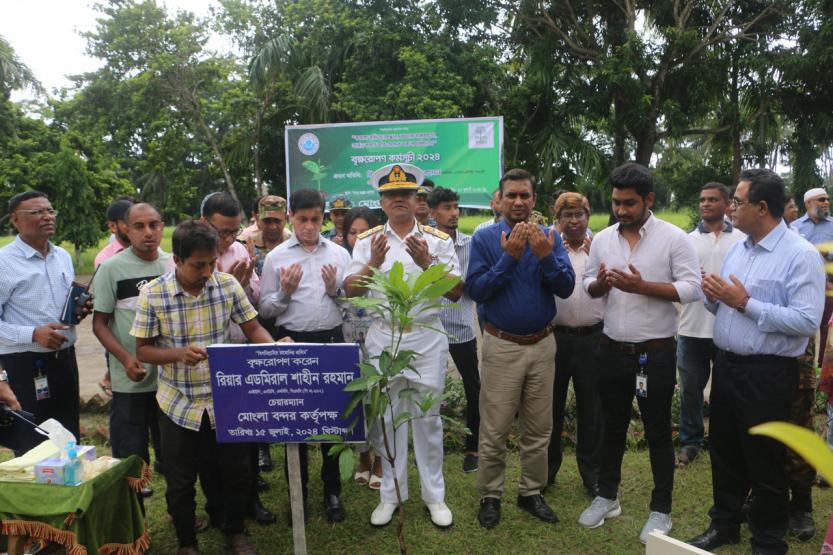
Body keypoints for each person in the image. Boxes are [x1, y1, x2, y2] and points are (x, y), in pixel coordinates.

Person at [686, 169, 825, 555]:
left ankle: (767, 539)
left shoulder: (799, 255)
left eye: (738, 202)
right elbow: (728, 304)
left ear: (762, 207)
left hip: (768, 373)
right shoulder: (739, 248)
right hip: (728, 365)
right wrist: (713, 294)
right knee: (725, 450)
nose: (731, 209)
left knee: (765, 459)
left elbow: (805, 320)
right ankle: (725, 524)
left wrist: (744, 302)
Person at [131, 220, 275, 555]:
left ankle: (235, 532)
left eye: (212, 263)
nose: (208, 271)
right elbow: (142, 350)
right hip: (177, 403)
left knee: (235, 472)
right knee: (181, 482)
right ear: (177, 260)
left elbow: (253, 328)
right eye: (199, 265)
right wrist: (178, 354)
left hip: (226, 399)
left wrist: (275, 352)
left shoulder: (226, 286)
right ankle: (187, 542)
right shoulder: (153, 294)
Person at [579, 162, 701, 544]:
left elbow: (691, 289)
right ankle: (607, 496)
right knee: (611, 426)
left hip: (656, 353)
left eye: (629, 203)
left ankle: (660, 510)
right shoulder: (603, 238)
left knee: (658, 431)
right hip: (611, 349)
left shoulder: (673, 238)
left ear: (648, 199)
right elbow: (587, 286)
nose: (621, 210)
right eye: (616, 202)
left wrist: (640, 286)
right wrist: (600, 283)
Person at [344, 163, 463, 529]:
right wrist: (375, 263)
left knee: (427, 419)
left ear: (417, 199)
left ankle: (434, 496)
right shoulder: (368, 242)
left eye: (406, 194)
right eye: (391, 195)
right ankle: (391, 495)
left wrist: (427, 262)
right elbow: (351, 291)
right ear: (381, 201)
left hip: (426, 335)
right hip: (385, 335)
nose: (399, 200)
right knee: (388, 416)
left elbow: (456, 293)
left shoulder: (438, 240)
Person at [467, 168, 575, 529]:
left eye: (524, 195)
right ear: (499, 200)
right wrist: (509, 257)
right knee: (495, 428)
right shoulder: (484, 239)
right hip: (503, 345)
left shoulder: (549, 237)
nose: (518, 202)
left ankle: (531, 492)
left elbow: (566, 288)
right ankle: (491, 495)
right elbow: (478, 291)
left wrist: (545, 256)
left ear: (533, 199)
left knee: (539, 428)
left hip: (543, 344)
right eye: (511, 195)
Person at [259, 188, 352, 523]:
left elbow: (351, 305)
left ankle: (332, 492)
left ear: (324, 217)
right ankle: (297, 494)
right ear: (291, 219)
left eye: (315, 219)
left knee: (331, 423)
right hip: (292, 343)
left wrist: (334, 291)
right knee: (293, 424)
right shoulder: (277, 258)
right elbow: (264, 308)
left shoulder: (340, 255)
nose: (310, 226)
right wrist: (284, 292)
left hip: (331, 342)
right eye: (302, 219)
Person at [200, 192, 274, 525]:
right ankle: (217, 507)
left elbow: (255, 298)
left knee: (248, 430)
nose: (228, 239)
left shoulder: (241, 250)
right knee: (213, 439)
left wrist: (242, 285)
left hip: (240, 348)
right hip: (203, 357)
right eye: (221, 232)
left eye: (233, 231)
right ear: (204, 223)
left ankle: (250, 500)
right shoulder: (189, 252)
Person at [91, 203, 169, 507]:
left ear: (162, 226)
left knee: (174, 457)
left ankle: (180, 518)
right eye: (139, 226)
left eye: (154, 224)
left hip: (170, 381)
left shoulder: (173, 264)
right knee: (132, 459)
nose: (148, 233)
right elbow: (100, 324)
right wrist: (125, 358)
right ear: (126, 228)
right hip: (129, 382)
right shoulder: (111, 269)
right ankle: (134, 529)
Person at [0, 191, 88, 444]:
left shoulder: (62, 256)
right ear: (15, 220)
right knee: (33, 439)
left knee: (68, 432)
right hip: (25, 364)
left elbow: (61, 308)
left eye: (50, 211)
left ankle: (70, 482)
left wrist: (76, 311)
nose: (47, 216)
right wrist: (33, 334)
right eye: (37, 212)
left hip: (64, 359)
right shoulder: (4, 262)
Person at [675, 183, 745, 467]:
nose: (706, 204)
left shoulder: (742, 239)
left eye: (713, 199)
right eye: (702, 199)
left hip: (730, 327)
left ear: (728, 204)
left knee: (727, 392)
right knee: (690, 389)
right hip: (692, 327)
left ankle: (723, 441)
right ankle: (691, 442)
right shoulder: (686, 241)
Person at [546, 192, 604, 498]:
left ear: (588, 216)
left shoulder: (603, 246)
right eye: (566, 215)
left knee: (591, 410)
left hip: (593, 338)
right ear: (557, 219)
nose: (573, 221)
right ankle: (547, 471)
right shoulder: (548, 246)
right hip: (555, 338)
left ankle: (591, 474)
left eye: (578, 214)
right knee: (549, 408)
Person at [428, 186, 481, 473]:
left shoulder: (470, 245)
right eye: (447, 208)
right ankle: (429, 445)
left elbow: (467, 288)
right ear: (432, 212)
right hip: (429, 329)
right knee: (427, 388)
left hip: (460, 328)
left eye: (456, 207)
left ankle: (473, 448)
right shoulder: (423, 243)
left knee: (474, 387)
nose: (454, 213)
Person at [340, 207, 383, 489]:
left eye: (363, 232)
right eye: (351, 232)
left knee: (379, 400)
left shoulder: (385, 257)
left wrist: (375, 261)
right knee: (356, 400)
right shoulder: (340, 257)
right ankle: (363, 456)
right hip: (348, 339)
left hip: (378, 339)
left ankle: (381, 458)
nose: (357, 238)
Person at [94, 197, 136, 397]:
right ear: (113, 226)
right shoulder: (105, 260)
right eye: (129, 222)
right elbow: (104, 312)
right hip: (120, 335)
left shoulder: (154, 255)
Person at [793, 187, 833, 366]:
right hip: (802, 285)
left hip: (829, 286)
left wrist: (827, 254)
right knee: (803, 324)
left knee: (826, 325)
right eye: (821, 200)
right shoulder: (795, 227)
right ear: (808, 203)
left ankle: (822, 367)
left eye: (827, 200)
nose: (826, 203)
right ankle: (802, 366)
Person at [250, 195, 290, 277]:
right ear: (258, 219)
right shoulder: (249, 246)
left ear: (286, 219)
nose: (272, 227)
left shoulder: (294, 245)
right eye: (267, 221)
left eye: (277, 221)